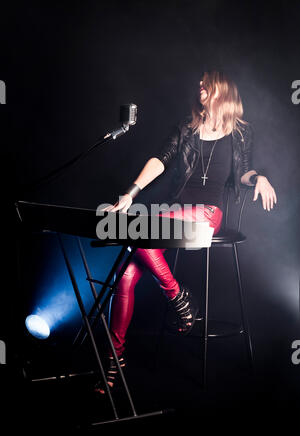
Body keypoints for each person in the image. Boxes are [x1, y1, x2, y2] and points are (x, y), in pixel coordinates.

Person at [95, 70, 277, 393]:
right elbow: (160, 159)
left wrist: (258, 178)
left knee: (140, 235)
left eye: (207, 83)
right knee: (125, 275)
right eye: (200, 83)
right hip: (174, 212)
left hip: (209, 215)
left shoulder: (239, 132)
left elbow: (244, 170)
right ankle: (119, 354)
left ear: (222, 90)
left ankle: (179, 300)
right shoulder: (186, 127)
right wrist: (130, 194)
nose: (200, 86)